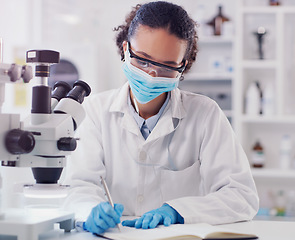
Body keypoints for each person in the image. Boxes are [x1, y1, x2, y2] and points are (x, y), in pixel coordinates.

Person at [63, 1, 259, 234]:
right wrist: (90, 212)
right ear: (126, 49)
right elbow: (79, 186)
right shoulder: (95, 112)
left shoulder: (205, 114)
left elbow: (240, 195)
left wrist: (178, 210)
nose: (151, 75)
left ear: (183, 65)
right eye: (143, 60)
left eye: (166, 66)